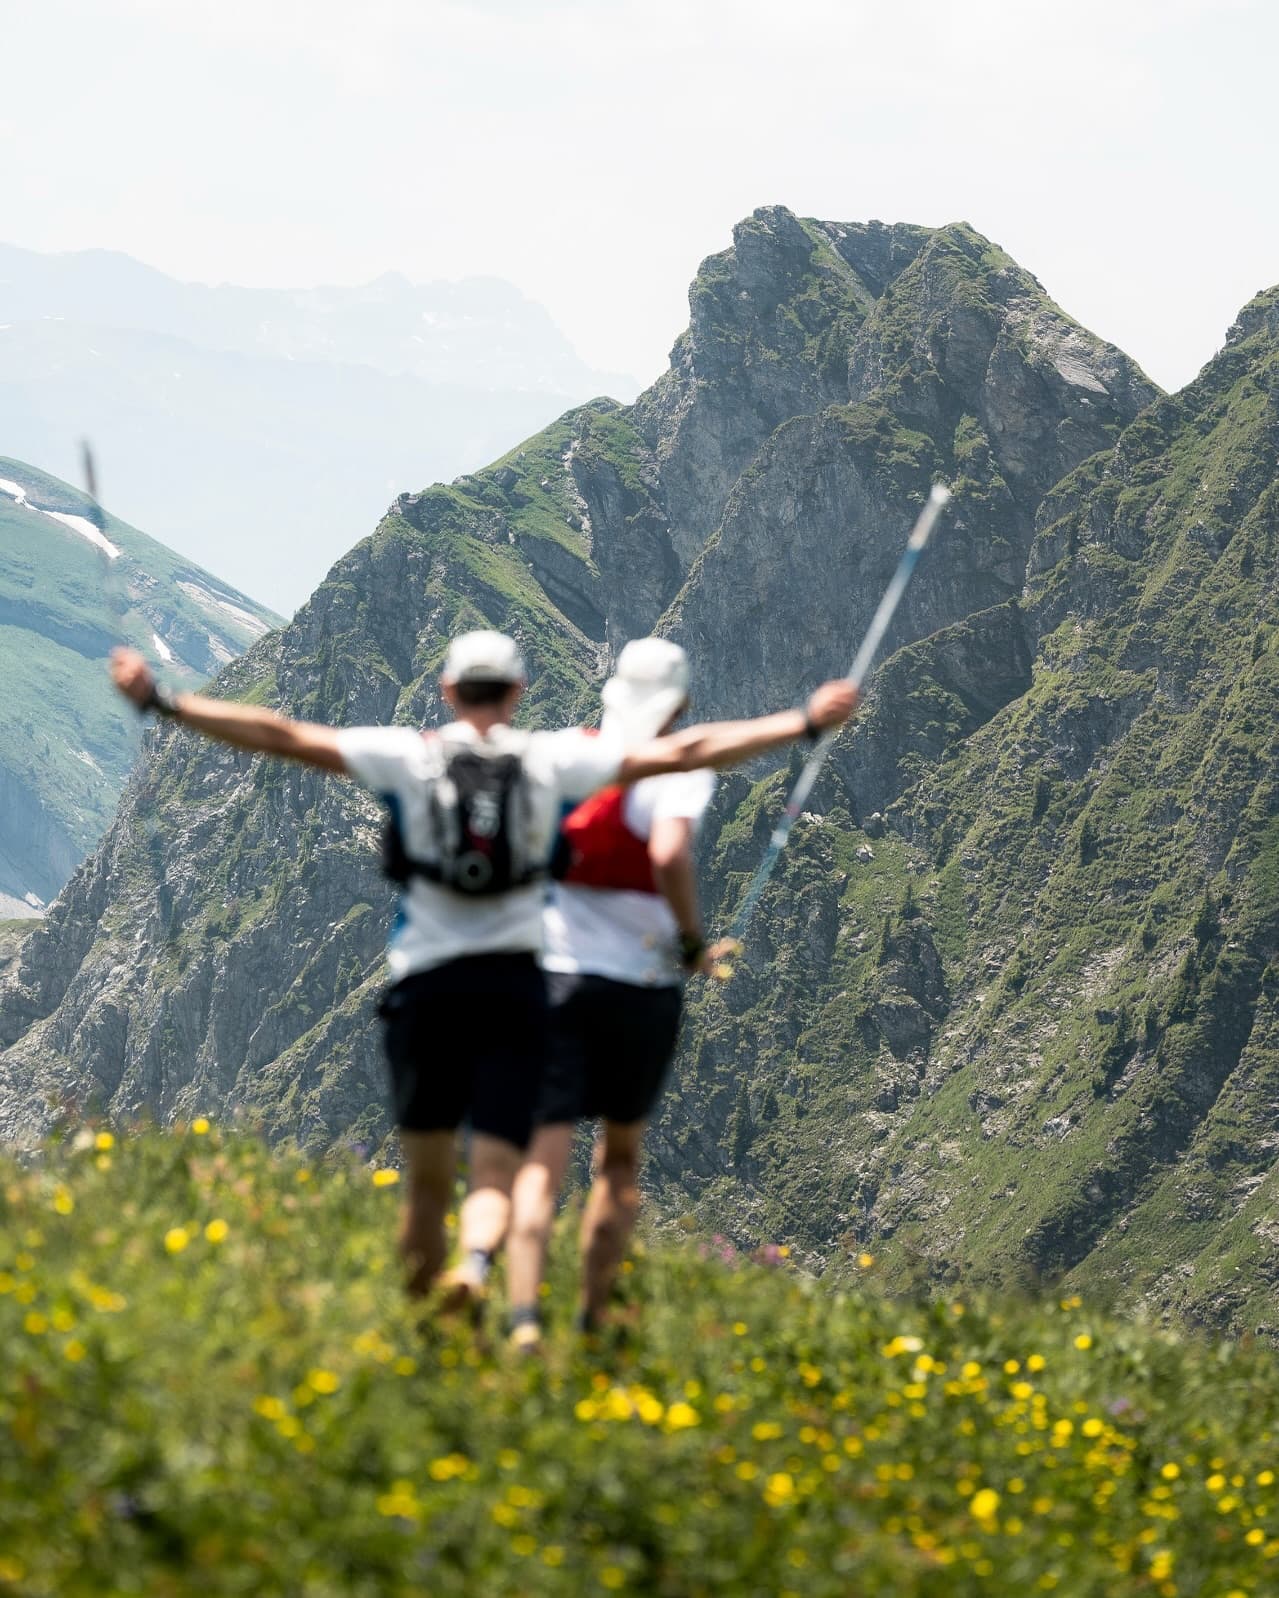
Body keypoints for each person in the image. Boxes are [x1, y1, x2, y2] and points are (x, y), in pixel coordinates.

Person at [109, 631, 857, 1314]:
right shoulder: (549, 760)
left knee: (427, 1182)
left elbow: (281, 734)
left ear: (445, 689)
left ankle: (426, 1331)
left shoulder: (408, 755)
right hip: (516, 991)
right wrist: (802, 722)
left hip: (425, 987)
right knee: (498, 1170)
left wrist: (166, 702)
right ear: (518, 692)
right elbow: (684, 754)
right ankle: (478, 1262)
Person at [506, 639, 731, 1350]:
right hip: (642, 986)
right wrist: (693, 943)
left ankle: (521, 1319)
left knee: (541, 1156)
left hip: (559, 976)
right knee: (618, 1159)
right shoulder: (678, 771)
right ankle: (594, 1318)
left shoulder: (568, 752)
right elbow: (667, 854)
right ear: (681, 704)